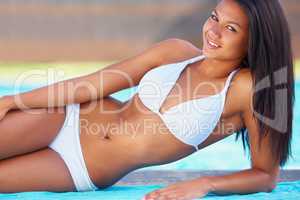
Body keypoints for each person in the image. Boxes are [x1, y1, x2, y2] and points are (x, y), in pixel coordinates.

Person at [0, 0, 295, 199]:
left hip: (82, 166)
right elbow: (92, 85)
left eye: (231, 28)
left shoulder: (247, 89)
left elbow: (265, 175)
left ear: (255, 40)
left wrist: (204, 185)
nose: (213, 32)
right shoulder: (175, 52)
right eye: (214, 17)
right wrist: (14, 100)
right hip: (65, 115)